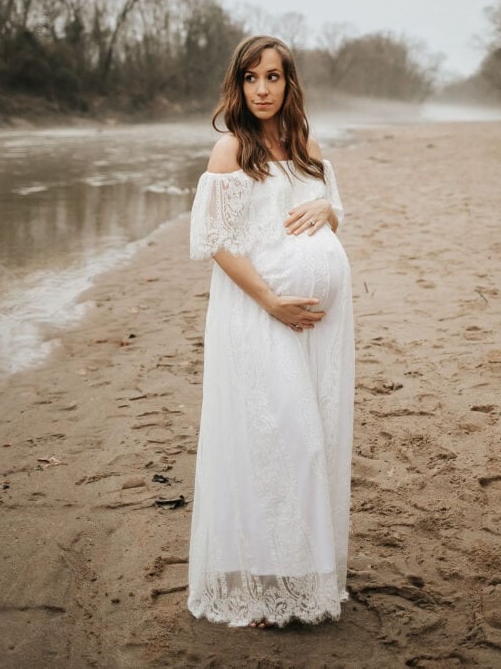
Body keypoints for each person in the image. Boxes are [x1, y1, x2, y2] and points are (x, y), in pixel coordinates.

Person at [187, 35, 355, 628]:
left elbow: (330, 205)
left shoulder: (304, 144)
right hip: (257, 316)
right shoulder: (231, 151)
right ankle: (259, 590)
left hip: (319, 328)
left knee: (311, 444)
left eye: (274, 77)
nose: (263, 89)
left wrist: (330, 213)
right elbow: (217, 244)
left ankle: (303, 578)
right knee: (275, 442)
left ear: (290, 84)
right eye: (252, 78)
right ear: (238, 84)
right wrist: (271, 302)